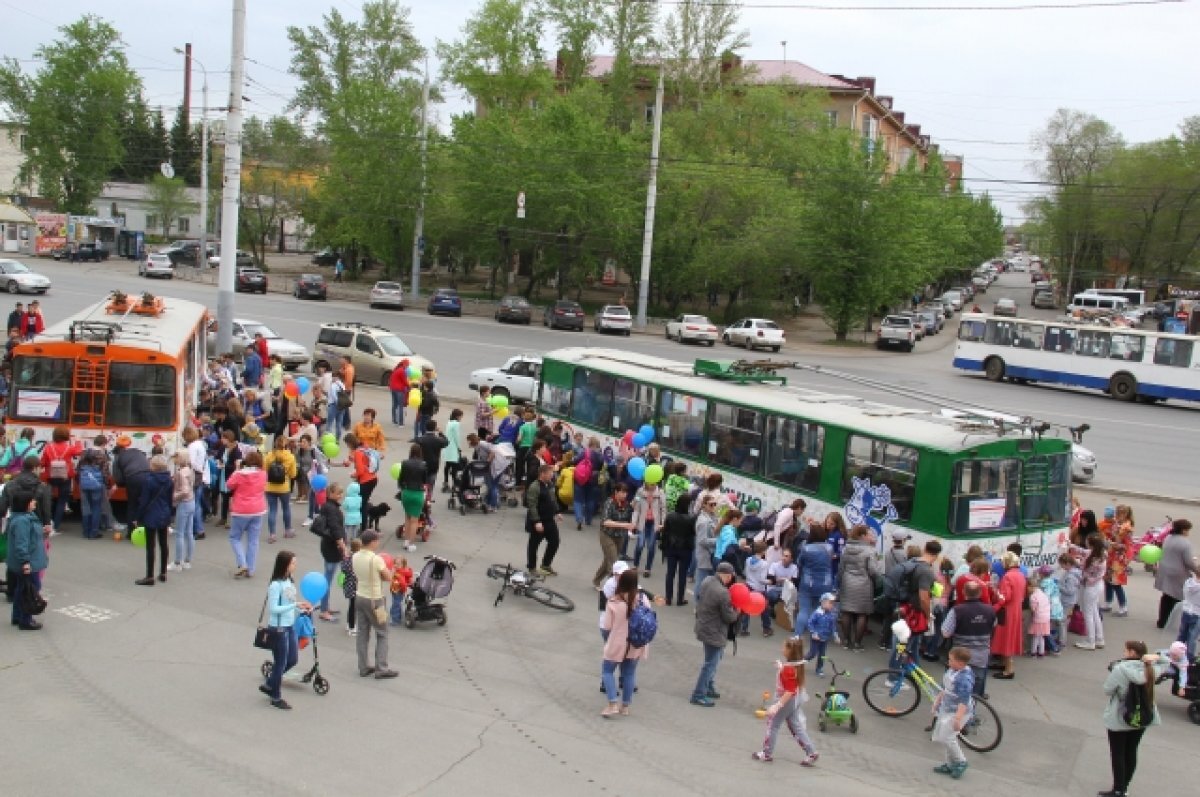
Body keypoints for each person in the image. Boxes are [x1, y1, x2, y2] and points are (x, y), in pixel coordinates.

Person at [1100, 640, 1164, 797]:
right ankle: (1125, 786)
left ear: (1132, 653)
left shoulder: (1120, 669)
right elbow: (1168, 660)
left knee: (1118, 753)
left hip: (1121, 715)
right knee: (1131, 751)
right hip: (1143, 715)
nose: (1124, 652)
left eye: (1126, 650)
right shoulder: (1151, 669)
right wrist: (1155, 657)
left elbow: (1107, 689)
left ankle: (1118, 788)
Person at [752, 635, 819, 765]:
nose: (782, 649)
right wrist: (781, 667)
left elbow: (789, 690)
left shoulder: (788, 669)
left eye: (784, 647)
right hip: (795, 700)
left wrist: (778, 705)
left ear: (790, 651)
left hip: (786, 700)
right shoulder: (796, 665)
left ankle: (767, 753)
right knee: (796, 726)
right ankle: (811, 751)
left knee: (773, 725)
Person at [260, 550, 311, 710]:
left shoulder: (289, 581)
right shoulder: (275, 585)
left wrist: (300, 609)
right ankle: (275, 696)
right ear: (285, 564)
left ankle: (270, 683)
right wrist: (295, 605)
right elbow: (274, 608)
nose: (295, 565)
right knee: (281, 662)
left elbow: (290, 603)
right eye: (293, 563)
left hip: (289, 626)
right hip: (278, 628)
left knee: (292, 659)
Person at [600, 569, 654, 718]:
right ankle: (625, 706)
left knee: (607, 671)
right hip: (636, 643)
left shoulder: (614, 601)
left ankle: (612, 703)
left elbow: (607, 626)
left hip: (617, 642)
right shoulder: (643, 599)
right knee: (629, 673)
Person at [690, 562, 740, 707]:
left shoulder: (707, 581)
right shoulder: (723, 593)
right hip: (715, 631)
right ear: (728, 575)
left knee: (712, 659)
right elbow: (729, 617)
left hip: (704, 626)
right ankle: (698, 694)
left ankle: (708, 686)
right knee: (710, 664)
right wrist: (737, 612)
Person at [351, 530, 397, 679]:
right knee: (382, 632)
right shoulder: (376, 559)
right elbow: (388, 577)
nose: (378, 543)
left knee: (362, 633)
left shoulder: (355, 556)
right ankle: (381, 667)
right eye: (377, 540)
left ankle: (363, 666)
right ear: (372, 542)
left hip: (360, 597)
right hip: (375, 600)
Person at [940, 580, 996, 699]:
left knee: (951, 687)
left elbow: (945, 633)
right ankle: (970, 714)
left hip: (959, 655)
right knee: (974, 691)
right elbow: (994, 626)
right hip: (981, 656)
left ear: (963, 592)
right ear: (980, 593)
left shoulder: (957, 610)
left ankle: (951, 713)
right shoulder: (990, 610)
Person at [930, 647, 976, 780]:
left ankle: (961, 761)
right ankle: (950, 764)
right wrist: (938, 701)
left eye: (951, 660)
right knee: (946, 737)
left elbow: (964, 700)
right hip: (948, 708)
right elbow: (946, 688)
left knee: (947, 737)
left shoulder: (964, 679)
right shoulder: (954, 670)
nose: (948, 662)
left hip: (957, 711)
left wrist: (958, 719)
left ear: (960, 663)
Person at [6, 493, 47, 630]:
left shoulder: (23, 518)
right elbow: (21, 543)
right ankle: (26, 620)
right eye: (32, 500)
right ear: (26, 504)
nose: (34, 502)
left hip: (27, 561)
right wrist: (25, 562)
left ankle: (17, 616)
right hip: (28, 562)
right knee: (31, 588)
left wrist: (42, 531)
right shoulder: (22, 521)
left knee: (21, 589)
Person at [836, 524, 879, 650]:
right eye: (868, 534)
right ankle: (857, 643)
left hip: (847, 582)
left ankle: (846, 641)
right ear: (862, 536)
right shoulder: (870, 550)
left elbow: (841, 568)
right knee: (862, 614)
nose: (870, 536)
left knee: (846, 611)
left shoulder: (846, 548)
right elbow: (873, 571)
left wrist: (840, 581)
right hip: (864, 584)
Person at [226, 450, 268, 578]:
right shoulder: (263, 474)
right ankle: (251, 569)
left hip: (241, 510)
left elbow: (228, 485)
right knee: (253, 540)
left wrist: (237, 468)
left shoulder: (239, 474)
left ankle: (242, 563)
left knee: (235, 537)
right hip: (258, 509)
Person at [134, 455, 174, 586]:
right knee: (164, 544)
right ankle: (163, 573)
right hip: (164, 512)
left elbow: (144, 501)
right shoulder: (169, 480)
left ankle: (149, 576)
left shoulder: (149, 480)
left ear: (153, 466)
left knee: (150, 546)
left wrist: (138, 517)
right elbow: (170, 499)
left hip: (151, 514)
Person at [39, 425, 84, 534]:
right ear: (66, 435)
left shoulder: (48, 447)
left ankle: (46, 523)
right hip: (65, 477)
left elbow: (43, 463)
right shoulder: (69, 448)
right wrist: (77, 441)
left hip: (50, 476)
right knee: (62, 501)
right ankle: (56, 526)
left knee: (47, 500)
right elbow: (79, 451)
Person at [1154, 519, 1196, 629]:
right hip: (1178, 573)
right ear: (1183, 531)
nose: (1188, 533)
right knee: (1177, 599)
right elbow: (1188, 562)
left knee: (1166, 597)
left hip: (1165, 569)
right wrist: (1197, 570)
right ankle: (1172, 622)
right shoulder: (1185, 543)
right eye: (1187, 530)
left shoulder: (1168, 538)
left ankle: (1162, 621)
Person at [314, 482, 347, 622]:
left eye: (341, 493)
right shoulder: (331, 508)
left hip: (329, 546)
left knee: (328, 577)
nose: (340, 496)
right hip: (332, 548)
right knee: (327, 579)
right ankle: (323, 610)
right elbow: (335, 528)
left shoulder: (329, 506)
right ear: (330, 494)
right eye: (338, 493)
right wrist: (343, 547)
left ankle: (325, 606)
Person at [990, 551, 1026, 678]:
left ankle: (1009, 670)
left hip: (1006, 611)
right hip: (1016, 609)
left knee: (1006, 638)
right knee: (1010, 637)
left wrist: (994, 604)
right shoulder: (1020, 575)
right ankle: (1005, 664)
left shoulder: (1007, 576)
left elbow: (1004, 597)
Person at [795, 526, 835, 636]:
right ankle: (816, 634)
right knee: (820, 609)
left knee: (804, 610)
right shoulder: (829, 548)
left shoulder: (806, 548)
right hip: (825, 583)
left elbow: (799, 562)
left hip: (808, 582)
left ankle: (797, 636)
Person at [592, 483, 634, 588]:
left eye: (626, 492)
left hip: (620, 536)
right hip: (607, 534)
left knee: (608, 559)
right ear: (616, 492)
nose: (625, 495)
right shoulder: (609, 503)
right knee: (614, 562)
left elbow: (630, 519)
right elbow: (605, 521)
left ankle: (596, 580)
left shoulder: (627, 505)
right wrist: (623, 525)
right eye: (622, 492)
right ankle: (613, 587)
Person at [523, 463, 561, 576]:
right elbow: (532, 505)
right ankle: (532, 567)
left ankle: (545, 565)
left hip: (549, 520)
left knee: (554, 542)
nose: (552, 476)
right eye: (550, 474)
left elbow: (553, 499)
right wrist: (536, 522)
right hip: (539, 521)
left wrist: (557, 512)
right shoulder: (535, 487)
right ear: (542, 474)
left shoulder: (549, 484)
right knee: (534, 545)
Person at [659, 495, 696, 607]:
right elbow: (693, 533)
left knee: (670, 573)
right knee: (682, 574)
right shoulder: (691, 519)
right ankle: (680, 598)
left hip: (672, 546)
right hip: (685, 548)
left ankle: (668, 598)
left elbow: (665, 531)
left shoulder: (670, 516)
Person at [1075, 534, 1108, 650]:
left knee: (1088, 614)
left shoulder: (1093, 558)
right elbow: (1083, 551)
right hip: (1098, 586)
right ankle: (1099, 638)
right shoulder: (1102, 555)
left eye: (1088, 542)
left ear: (1092, 544)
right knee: (1094, 612)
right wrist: (1071, 545)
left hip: (1090, 587)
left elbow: (1082, 566)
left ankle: (1090, 641)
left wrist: (1077, 561)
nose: (1086, 543)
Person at [263, 434, 297, 543]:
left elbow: (264, 470)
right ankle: (287, 530)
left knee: (272, 510)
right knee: (286, 508)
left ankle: (272, 534)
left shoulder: (269, 455)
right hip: (284, 487)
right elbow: (293, 474)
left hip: (270, 486)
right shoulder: (290, 457)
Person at [630, 478, 666, 578]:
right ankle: (635, 565)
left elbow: (663, 509)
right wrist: (633, 522)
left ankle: (647, 568)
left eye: (654, 483)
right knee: (640, 545)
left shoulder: (660, 493)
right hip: (642, 522)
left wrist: (662, 523)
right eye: (650, 483)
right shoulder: (640, 491)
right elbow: (635, 507)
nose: (652, 485)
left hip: (654, 523)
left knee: (651, 546)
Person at [168, 450, 196, 571]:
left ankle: (177, 562)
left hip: (184, 503)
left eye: (176, 457)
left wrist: (173, 496)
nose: (174, 460)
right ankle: (187, 560)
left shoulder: (180, 473)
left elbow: (184, 491)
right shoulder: (190, 470)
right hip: (191, 502)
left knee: (180, 533)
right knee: (189, 533)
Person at [397, 442, 428, 552]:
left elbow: (400, 479)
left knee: (407, 517)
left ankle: (405, 540)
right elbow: (425, 480)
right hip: (417, 493)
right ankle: (411, 543)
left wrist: (402, 488)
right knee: (415, 520)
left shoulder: (405, 463)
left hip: (406, 492)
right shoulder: (424, 464)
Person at [1105, 504, 1134, 617]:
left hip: (1119, 558)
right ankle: (1108, 602)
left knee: (1116, 582)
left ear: (1125, 515)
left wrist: (1111, 542)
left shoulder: (1126, 527)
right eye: (1117, 514)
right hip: (1112, 555)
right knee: (1108, 580)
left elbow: (1121, 542)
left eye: (1120, 514)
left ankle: (1123, 606)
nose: (1117, 516)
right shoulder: (1117, 524)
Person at [692, 495, 719, 600]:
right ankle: (697, 605)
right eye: (711, 504)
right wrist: (718, 541)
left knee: (708, 582)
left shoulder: (713, 517)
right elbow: (702, 540)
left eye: (715, 504)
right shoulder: (703, 521)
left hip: (710, 554)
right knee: (701, 582)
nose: (713, 506)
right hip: (705, 555)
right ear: (704, 505)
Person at [343, 432, 379, 508]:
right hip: (373, 477)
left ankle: (363, 519)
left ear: (350, 443)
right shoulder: (364, 447)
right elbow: (365, 460)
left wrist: (353, 475)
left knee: (361, 505)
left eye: (347, 445)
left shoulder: (357, 452)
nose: (347, 447)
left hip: (365, 480)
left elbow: (360, 471)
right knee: (364, 503)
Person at [805, 593, 838, 676]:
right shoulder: (817, 613)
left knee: (822, 655)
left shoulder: (831, 615)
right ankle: (801, 662)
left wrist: (835, 635)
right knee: (813, 653)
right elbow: (810, 623)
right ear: (823, 602)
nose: (832, 605)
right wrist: (813, 633)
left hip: (825, 638)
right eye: (830, 603)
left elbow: (833, 626)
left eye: (833, 603)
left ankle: (819, 669)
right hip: (816, 637)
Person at [415, 420, 449, 492]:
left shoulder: (421, 439)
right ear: (435, 428)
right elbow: (446, 442)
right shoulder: (438, 440)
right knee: (430, 484)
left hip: (421, 465)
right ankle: (428, 498)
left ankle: (422, 497)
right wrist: (441, 433)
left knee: (421, 483)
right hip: (434, 465)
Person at [1027, 576, 1052, 658]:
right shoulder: (1043, 594)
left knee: (1035, 636)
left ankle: (1033, 652)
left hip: (1038, 618)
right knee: (1042, 637)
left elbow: (1033, 609)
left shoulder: (1033, 596)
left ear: (1031, 587)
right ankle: (1041, 652)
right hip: (1046, 618)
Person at [442, 409, 464, 489]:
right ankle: (454, 483)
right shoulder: (456, 424)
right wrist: (459, 447)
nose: (461, 418)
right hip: (453, 447)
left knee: (447, 466)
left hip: (447, 446)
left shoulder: (449, 422)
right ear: (458, 416)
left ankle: (445, 481)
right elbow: (456, 437)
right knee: (454, 467)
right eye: (461, 416)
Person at [388, 360, 410, 427]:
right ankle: (401, 423)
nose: (408, 366)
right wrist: (410, 386)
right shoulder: (402, 371)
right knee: (401, 406)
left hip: (393, 389)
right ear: (405, 364)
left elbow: (391, 379)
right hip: (399, 390)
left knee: (394, 405)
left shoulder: (396, 369)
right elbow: (405, 382)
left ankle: (394, 420)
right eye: (407, 365)